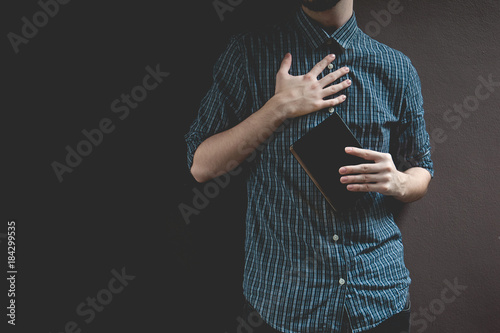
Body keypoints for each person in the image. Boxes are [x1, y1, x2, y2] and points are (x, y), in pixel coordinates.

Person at [185, 0, 434, 331]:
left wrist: (399, 182)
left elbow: (422, 170)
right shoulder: (249, 52)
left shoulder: (397, 68)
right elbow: (201, 165)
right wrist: (278, 108)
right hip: (283, 303)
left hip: (378, 300)